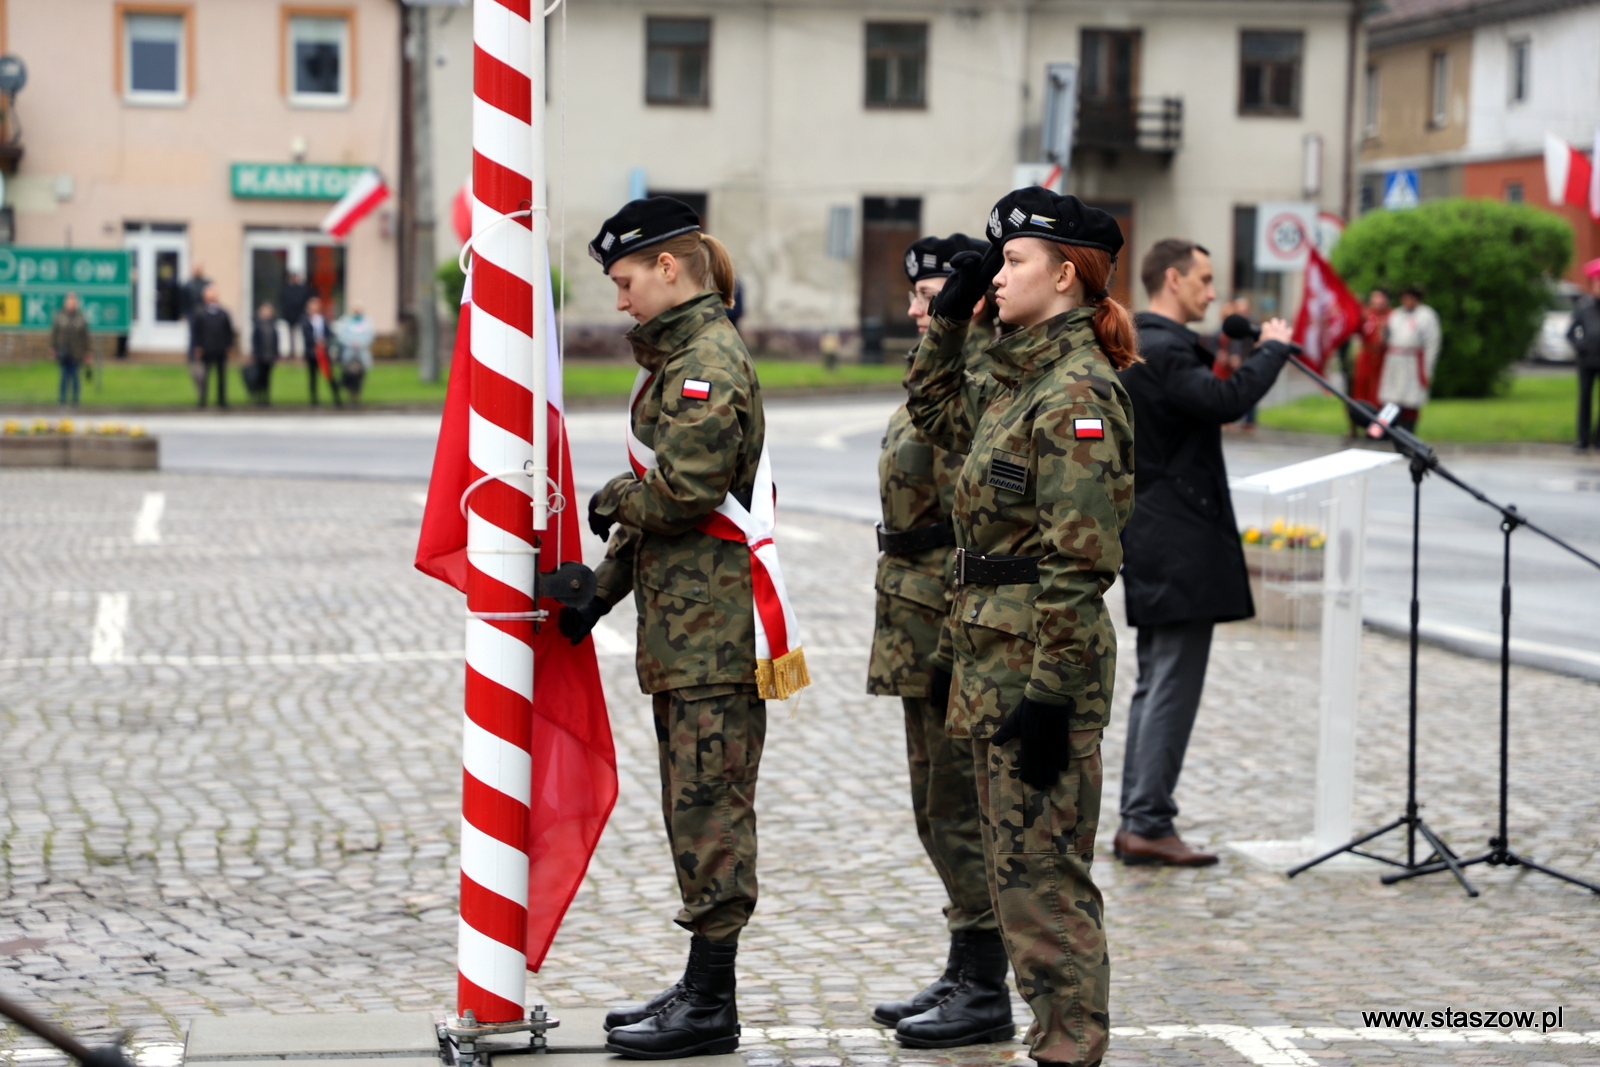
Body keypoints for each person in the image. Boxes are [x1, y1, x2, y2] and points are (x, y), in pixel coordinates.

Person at [559, 197, 808, 1060]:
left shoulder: (704, 363)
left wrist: (604, 498)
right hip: (687, 632)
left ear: (670, 267)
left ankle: (712, 1001)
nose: (619, 300)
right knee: (692, 806)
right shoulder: (679, 358)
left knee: (711, 810)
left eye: (626, 281)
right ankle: (702, 984)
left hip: (712, 641)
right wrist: (600, 592)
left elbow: (683, 493)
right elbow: (677, 516)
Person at [905, 188, 1138, 1067]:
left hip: (1039, 669)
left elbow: (1079, 567)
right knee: (1014, 875)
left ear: (1067, 278)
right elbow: (935, 413)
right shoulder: (1018, 377)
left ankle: (1071, 1048)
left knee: (1044, 882)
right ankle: (1057, 1042)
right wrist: (953, 320)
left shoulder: (1075, 393)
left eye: (1012, 263)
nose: (996, 276)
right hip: (990, 657)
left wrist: (1049, 695)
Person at [867, 233, 1010, 1049]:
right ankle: (966, 960)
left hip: (950, 609)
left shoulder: (983, 376)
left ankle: (985, 983)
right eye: (921, 298)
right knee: (936, 803)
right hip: (914, 608)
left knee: (960, 802)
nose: (918, 310)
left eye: (930, 297)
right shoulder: (946, 372)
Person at [1115, 239, 1295, 868]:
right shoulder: (1161, 347)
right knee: (1169, 686)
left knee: (1156, 684)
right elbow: (1223, 401)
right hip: (1176, 539)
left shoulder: (1145, 342)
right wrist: (1271, 350)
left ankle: (1141, 816)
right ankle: (1147, 821)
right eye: (1205, 279)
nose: (1213, 293)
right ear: (1172, 278)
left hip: (1161, 535)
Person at [1376, 285, 1441, 434]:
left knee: (1411, 398)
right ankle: (1388, 430)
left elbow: (1432, 343)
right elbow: (1387, 337)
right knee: (1392, 397)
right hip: (1394, 360)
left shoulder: (1426, 316)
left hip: (1412, 361)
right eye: (1405, 298)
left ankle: (1408, 429)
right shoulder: (1396, 314)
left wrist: (1427, 367)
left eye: (1411, 298)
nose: (1407, 301)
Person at [1566, 258, 1600, 452]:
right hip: (1587, 360)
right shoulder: (1585, 308)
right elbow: (1570, 333)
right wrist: (1581, 346)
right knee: (1585, 399)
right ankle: (1583, 439)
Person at [1349, 288, 1391, 435]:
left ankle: (1378, 429)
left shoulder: (1391, 315)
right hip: (1366, 356)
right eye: (1375, 298)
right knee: (1360, 391)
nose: (1377, 302)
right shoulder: (1366, 314)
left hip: (1383, 358)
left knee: (1380, 394)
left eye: (1381, 298)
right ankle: (1356, 426)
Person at [189, 284, 235, 409]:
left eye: (214, 296)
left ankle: (222, 401)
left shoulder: (223, 313)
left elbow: (229, 330)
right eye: (209, 296)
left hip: (220, 348)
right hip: (206, 349)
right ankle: (203, 400)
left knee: (221, 377)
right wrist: (198, 346)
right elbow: (195, 331)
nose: (212, 298)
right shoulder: (199, 312)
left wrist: (230, 345)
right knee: (204, 377)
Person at [50, 292, 92, 408]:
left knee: (75, 376)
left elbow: (85, 336)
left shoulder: (81, 317)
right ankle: (62, 399)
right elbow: (54, 333)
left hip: (76, 353)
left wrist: (87, 352)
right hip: (63, 352)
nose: (71, 304)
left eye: (73, 301)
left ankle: (75, 400)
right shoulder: (60, 316)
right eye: (69, 301)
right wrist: (53, 348)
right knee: (63, 376)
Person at [301, 296, 341, 407]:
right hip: (312, 352)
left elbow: (329, 332)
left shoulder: (322, 319)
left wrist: (324, 341)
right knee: (313, 377)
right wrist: (316, 342)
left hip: (323, 351)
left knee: (329, 374)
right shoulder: (305, 319)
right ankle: (314, 400)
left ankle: (337, 399)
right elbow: (306, 334)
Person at [335, 305, 375, 406]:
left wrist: (361, 343)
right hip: (349, 351)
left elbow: (370, 335)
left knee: (360, 374)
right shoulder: (346, 321)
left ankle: (357, 393)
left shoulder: (366, 322)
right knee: (349, 373)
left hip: (361, 351)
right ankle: (350, 391)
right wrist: (351, 343)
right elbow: (342, 335)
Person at [248, 302, 279, 406]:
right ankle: (259, 397)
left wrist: (276, 353)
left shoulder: (273, 325)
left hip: (269, 356)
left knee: (267, 378)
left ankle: (266, 397)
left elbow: (275, 341)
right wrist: (255, 353)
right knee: (259, 377)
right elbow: (255, 341)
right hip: (260, 356)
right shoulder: (258, 325)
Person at [279, 272, 312, 360]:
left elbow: (304, 300)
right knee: (291, 334)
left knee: (303, 333)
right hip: (290, 315)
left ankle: (304, 352)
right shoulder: (286, 289)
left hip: (300, 314)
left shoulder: (302, 289)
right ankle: (292, 352)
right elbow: (283, 301)